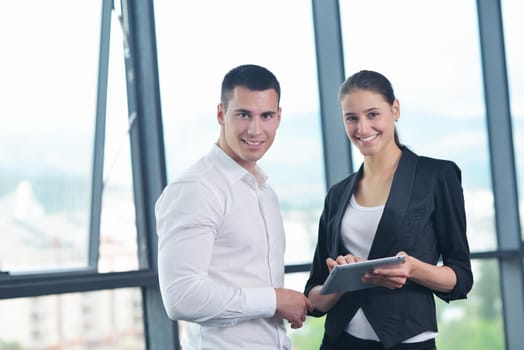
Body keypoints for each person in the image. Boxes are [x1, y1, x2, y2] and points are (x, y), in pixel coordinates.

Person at [304, 70, 473, 350]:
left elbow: (461, 278)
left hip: (407, 342)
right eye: (352, 118)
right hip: (339, 341)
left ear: (395, 109)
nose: (362, 128)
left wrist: (413, 268)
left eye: (373, 114)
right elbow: (315, 298)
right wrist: (341, 280)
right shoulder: (337, 195)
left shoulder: (436, 176)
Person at [155, 64, 312, 350]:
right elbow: (182, 297)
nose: (255, 129)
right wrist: (275, 300)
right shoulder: (196, 189)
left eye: (266, 116)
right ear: (220, 114)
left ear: (278, 117)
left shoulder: (265, 192)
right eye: (243, 115)